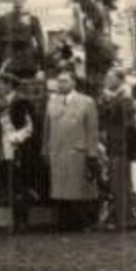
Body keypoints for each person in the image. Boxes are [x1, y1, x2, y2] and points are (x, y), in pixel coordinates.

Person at [43, 67, 102, 231]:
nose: (61, 84)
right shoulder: (52, 101)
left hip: (77, 152)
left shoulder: (86, 102)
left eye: (65, 81)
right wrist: (45, 149)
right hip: (57, 151)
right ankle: (63, 222)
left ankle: (83, 222)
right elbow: (46, 128)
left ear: (73, 83)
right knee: (60, 189)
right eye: (59, 81)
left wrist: (92, 153)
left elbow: (92, 130)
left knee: (78, 189)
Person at [98, 68, 136, 230]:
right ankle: (122, 216)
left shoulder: (124, 98)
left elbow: (127, 125)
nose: (107, 80)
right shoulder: (117, 96)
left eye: (110, 77)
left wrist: (107, 103)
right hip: (115, 144)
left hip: (121, 145)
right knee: (117, 182)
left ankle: (125, 219)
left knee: (120, 183)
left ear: (119, 79)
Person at [0, 73, 40, 233]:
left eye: (2, 84)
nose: (0, 88)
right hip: (7, 148)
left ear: (10, 85)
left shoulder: (22, 102)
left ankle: (23, 221)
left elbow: (30, 127)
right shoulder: (5, 103)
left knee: (21, 185)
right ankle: (16, 221)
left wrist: (15, 139)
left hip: (21, 149)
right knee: (12, 185)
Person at [0, 0, 47, 80]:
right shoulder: (3, 19)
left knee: (28, 92)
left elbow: (40, 44)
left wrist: (42, 68)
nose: (17, 0)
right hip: (9, 63)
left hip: (28, 64)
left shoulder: (32, 19)